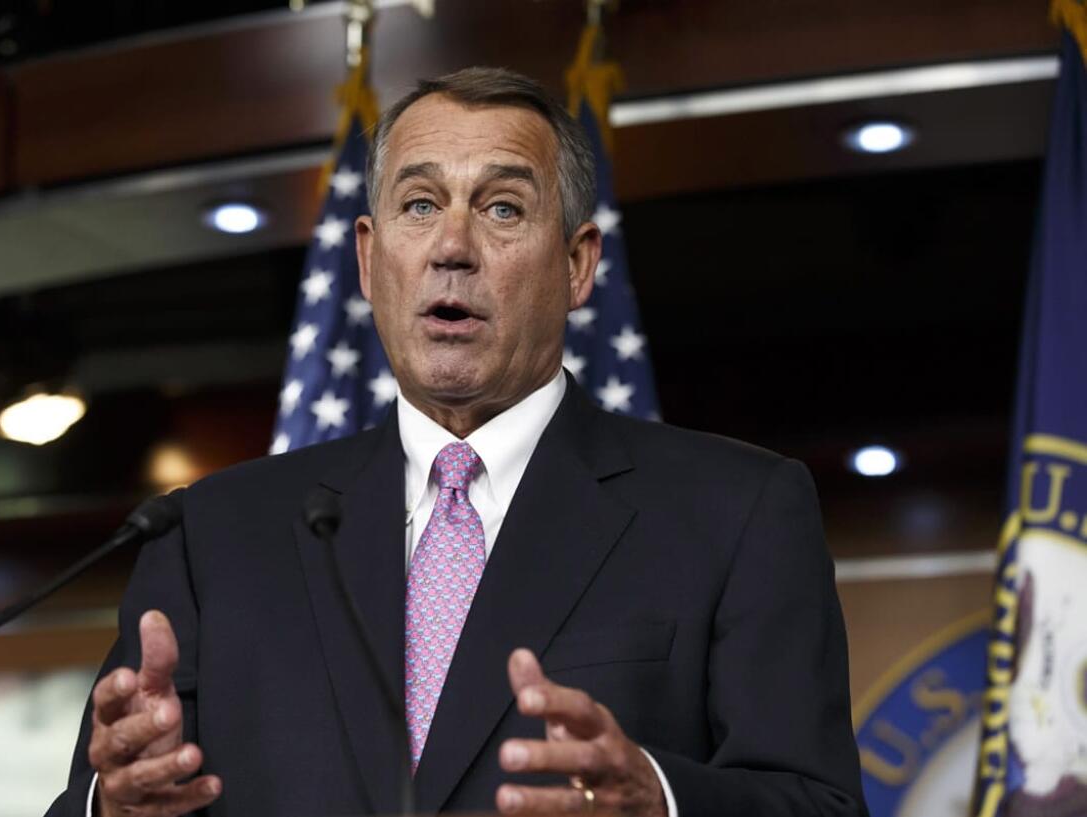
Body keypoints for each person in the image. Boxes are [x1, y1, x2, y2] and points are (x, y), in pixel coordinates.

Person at [46, 66, 867, 817]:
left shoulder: (737, 512)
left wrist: (660, 797)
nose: (452, 247)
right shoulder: (211, 535)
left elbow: (821, 804)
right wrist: (110, 807)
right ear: (369, 260)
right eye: (420, 204)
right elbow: (99, 794)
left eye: (503, 207)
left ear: (579, 266)